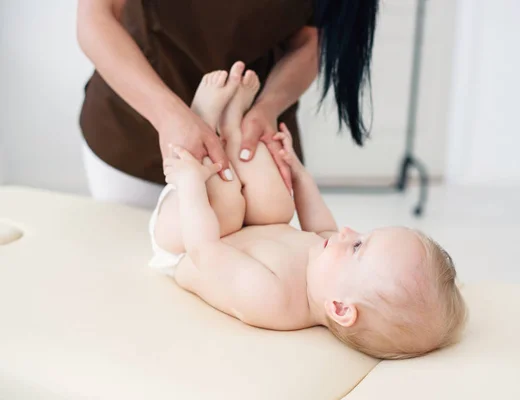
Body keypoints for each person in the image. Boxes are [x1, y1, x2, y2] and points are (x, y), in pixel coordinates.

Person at [149, 66, 468, 359]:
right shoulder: (328, 265)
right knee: (276, 203)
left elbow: (205, 251)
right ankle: (233, 124)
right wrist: (299, 174)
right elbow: (321, 223)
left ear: (341, 308)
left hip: (186, 242)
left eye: (358, 247)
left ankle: (200, 119)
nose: (347, 232)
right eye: (364, 234)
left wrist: (190, 182)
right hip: (237, 231)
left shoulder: (273, 299)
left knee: (228, 204)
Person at [76, 0, 380, 208]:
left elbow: (311, 41)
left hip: (251, 140)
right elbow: (96, 18)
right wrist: (168, 114)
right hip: (136, 129)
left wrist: (268, 107)